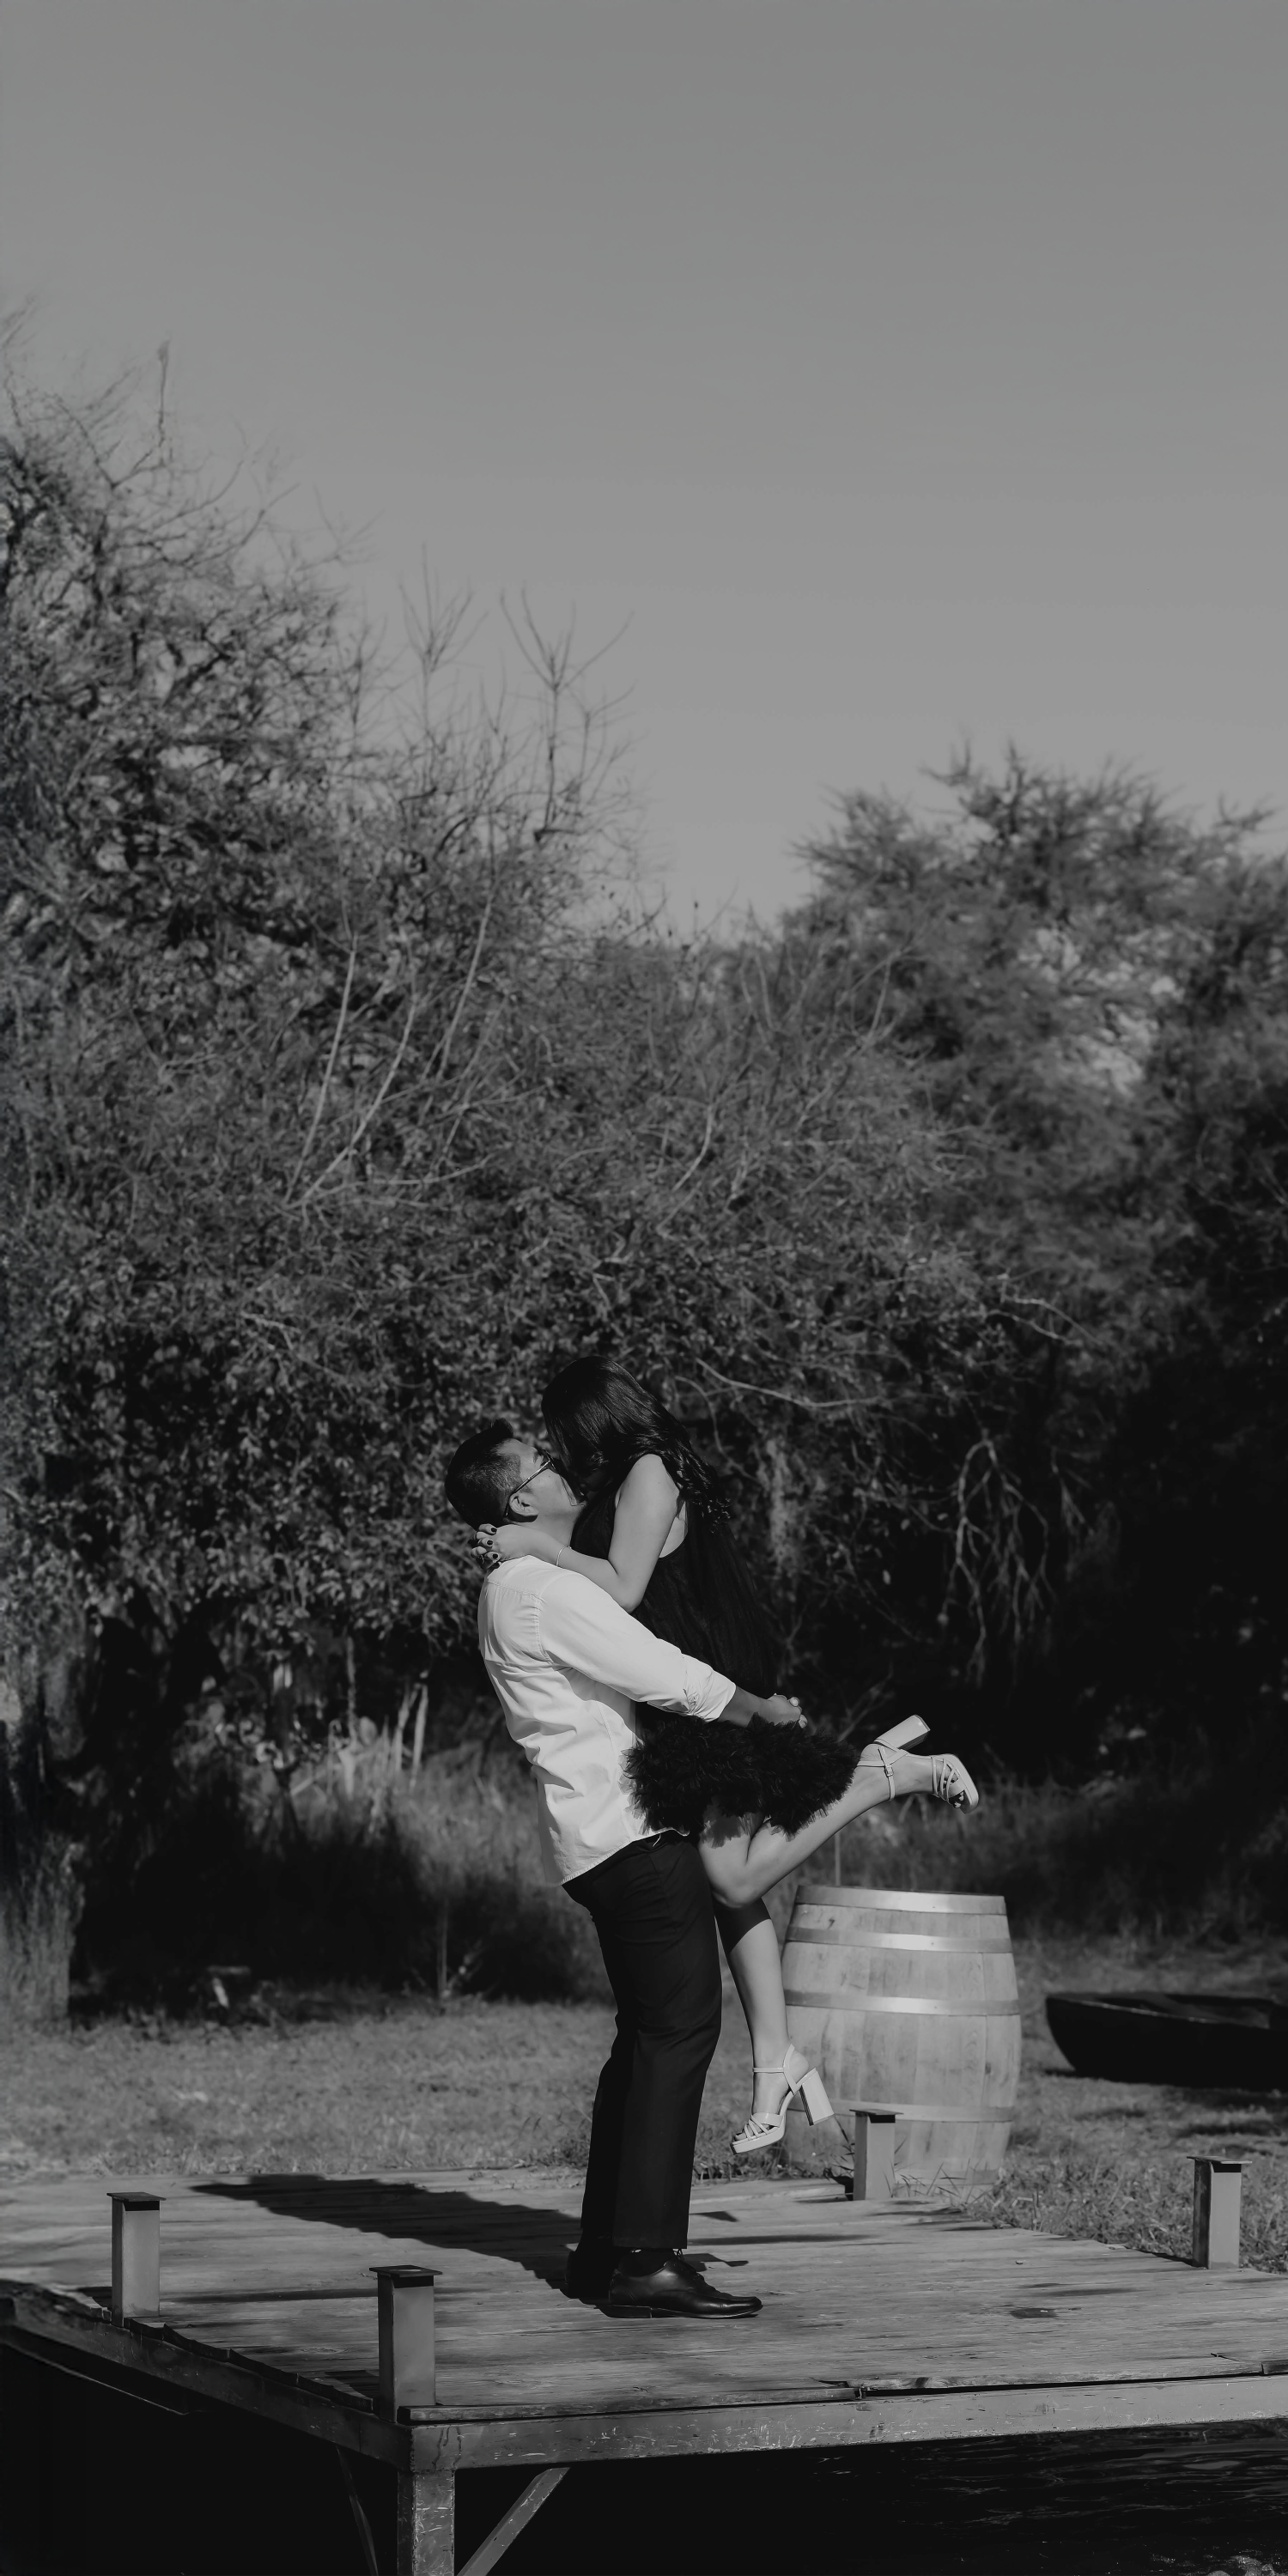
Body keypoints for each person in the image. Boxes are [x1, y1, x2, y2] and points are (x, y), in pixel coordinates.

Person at [477, 1357, 978, 2154]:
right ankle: (776, 2062)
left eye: (558, 1433)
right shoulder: (619, 1480)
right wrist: (524, 1540)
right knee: (731, 1890)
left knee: (730, 1877)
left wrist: (536, 1542)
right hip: (680, 1693)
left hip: (709, 1682)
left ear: (591, 1421)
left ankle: (877, 1774)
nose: (556, 1448)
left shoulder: (649, 1469)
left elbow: (625, 1587)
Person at [445, 1419, 798, 2320]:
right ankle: (647, 2260)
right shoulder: (541, 1590)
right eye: (545, 1463)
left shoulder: (519, 1583)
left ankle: (607, 2251)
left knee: (647, 2037)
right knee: (679, 2032)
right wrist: (764, 1713)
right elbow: (664, 1673)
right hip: (631, 1836)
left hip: (599, 1839)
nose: (564, 1469)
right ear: (521, 1497)